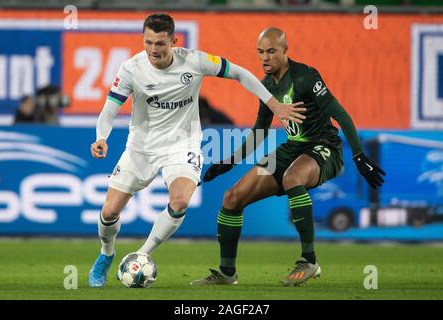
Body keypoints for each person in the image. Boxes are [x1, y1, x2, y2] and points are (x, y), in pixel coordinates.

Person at [88, 14, 305, 287]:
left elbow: (239, 73)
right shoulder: (132, 69)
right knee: (109, 212)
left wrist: (274, 104)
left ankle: (140, 256)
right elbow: (110, 109)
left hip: (183, 145)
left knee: (179, 202)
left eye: (160, 43)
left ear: (173, 41)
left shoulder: (194, 60)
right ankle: (106, 254)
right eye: (149, 42)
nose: (154, 49)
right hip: (141, 147)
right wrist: (101, 137)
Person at [190, 28, 386, 287]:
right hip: (291, 149)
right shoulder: (267, 86)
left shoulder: (305, 76)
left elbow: (340, 114)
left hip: (323, 147)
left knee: (293, 176)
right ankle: (227, 273)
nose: (265, 58)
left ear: (285, 51)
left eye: (271, 51)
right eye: (260, 52)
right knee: (232, 197)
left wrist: (359, 156)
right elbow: (259, 132)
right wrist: (230, 161)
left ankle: (309, 260)